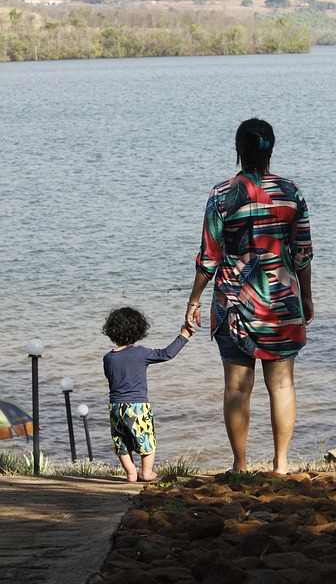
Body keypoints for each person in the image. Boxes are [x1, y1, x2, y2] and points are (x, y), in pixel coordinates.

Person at [185, 118, 313, 475]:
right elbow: (302, 252)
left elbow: (208, 257)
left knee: (237, 388)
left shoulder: (221, 195)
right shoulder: (291, 192)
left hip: (234, 302)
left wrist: (193, 301)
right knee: (283, 384)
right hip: (282, 301)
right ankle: (281, 465)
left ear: (238, 151)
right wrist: (306, 298)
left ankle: (240, 466)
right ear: (271, 149)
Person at [102, 306, 192, 482]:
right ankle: (147, 472)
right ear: (139, 330)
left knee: (121, 440)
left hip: (115, 406)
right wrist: (184, 335)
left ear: (111, 331)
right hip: (137, 405)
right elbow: (166, 354)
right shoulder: (141, 353)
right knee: (146, 439)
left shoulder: (108, 357)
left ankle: (130, 473)